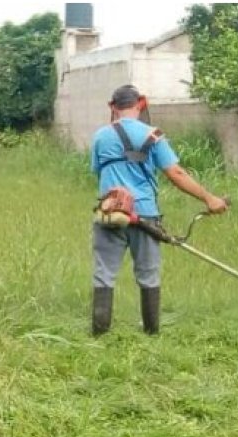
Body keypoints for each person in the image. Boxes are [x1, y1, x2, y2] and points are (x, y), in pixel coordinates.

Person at [91, 84, 228, 337]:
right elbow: (175, 173)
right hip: (144, 214)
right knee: (148, 273)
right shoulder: (153, 136)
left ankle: (99, 334)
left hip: (109, 212)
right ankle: (152, 333)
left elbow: (99, 171)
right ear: (141, 104)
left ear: (113, 107)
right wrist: (209, 198)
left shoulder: (100, 136)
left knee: (104, 274)